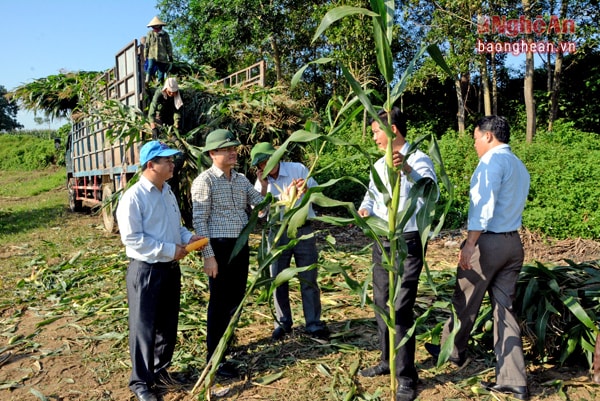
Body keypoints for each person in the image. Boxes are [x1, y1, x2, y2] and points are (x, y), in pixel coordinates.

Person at [425, 116, 530, 400]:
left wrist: (470, 244)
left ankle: (453, 353)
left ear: (488, 136)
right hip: (513, 243)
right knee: (504, 310)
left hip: (489, 243)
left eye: (474, 138)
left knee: (465, 299)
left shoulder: (491, 163)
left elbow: (483, 206)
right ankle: (513, 379)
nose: (473, 144)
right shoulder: (518, 165)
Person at [357, 107, 437, 401]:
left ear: (393, 129)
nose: (374, 136)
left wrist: (406, 169)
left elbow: (430, 191)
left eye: (377, 130)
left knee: (400, 307)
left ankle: (406, 377)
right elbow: (371, 195)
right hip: (383, 239)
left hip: (407, 241)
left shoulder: (418, 158)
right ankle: (386, 360)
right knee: (381, 302)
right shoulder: (378, 165)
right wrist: (366, 209)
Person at [116, 140, 204, 401]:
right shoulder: (133, 197)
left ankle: (161, 371)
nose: (172, 164)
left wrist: (188, 238)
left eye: (171, 160)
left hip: (170, 267)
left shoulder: (167, 192)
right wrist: (169, 249)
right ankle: (141, 382)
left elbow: (176, 227)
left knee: (167, 324)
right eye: (166, 160)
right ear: (151, 165)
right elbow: (132, 239)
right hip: (146, 271)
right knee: (144, 327)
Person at [191, 129, 265, 378]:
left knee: (236, 298)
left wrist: (269, 186)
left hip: (240, 245)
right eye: (227, 149)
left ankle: (227, 346)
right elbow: (200, 222)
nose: (234, 152)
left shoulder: (241, 179)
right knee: (219, 303)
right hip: (219, 247)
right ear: (212, 153)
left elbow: (261, 206)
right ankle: (214, 359)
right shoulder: (205, 181)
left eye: (234, 148)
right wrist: (208, 255)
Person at [250, 142, 329, 341]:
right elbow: (259, 212)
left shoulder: (298, 169)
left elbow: (319, 194)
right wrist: (264, 187)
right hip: (277, 233)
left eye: (267, 161)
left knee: (308, 277)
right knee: (277, 278)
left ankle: (313, 323)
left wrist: (305, 192)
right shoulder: (261, 183)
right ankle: (282, 323)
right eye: (260, 164)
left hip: (302, 230)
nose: (265, 166)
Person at [144, 16, 173, 85]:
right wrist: (145, 54)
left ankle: (160, 83)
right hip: (152, 55)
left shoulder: (165, 34)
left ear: (160, 26)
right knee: (150, 67)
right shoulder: (150, 34)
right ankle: (147, 80)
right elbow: (147, 44)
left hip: (162, 56)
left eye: (156, 26)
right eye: (153, 27)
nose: (155, 28)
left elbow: (169, 45)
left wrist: (170, 55)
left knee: (161, 70)